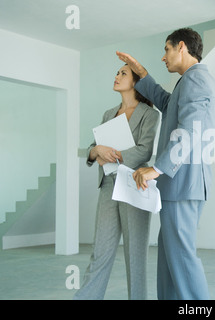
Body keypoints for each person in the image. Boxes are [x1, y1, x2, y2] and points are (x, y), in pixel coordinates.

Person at [116, 27, 215, 300]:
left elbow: (191, 130)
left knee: (182, 260)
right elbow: (166, 101)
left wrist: (157, 168)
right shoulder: (189, 82)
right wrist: (140, 72)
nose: (164, 57)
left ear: (182, 47)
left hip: (182, 184)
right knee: (171, 258)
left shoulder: (195, 81)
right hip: (181, 186)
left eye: (166, 49)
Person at [73, 64, 160, 300]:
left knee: (136, 257)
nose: (117, 76)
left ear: (136, 82)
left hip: (133, 185)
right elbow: (94, 149)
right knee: (100, 252)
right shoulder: (108, 113)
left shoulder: (150, 114)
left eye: (123, 73)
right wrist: (97, 151)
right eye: (117, 72)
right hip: (109, 186)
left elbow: (144, 151)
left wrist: (116, 154)